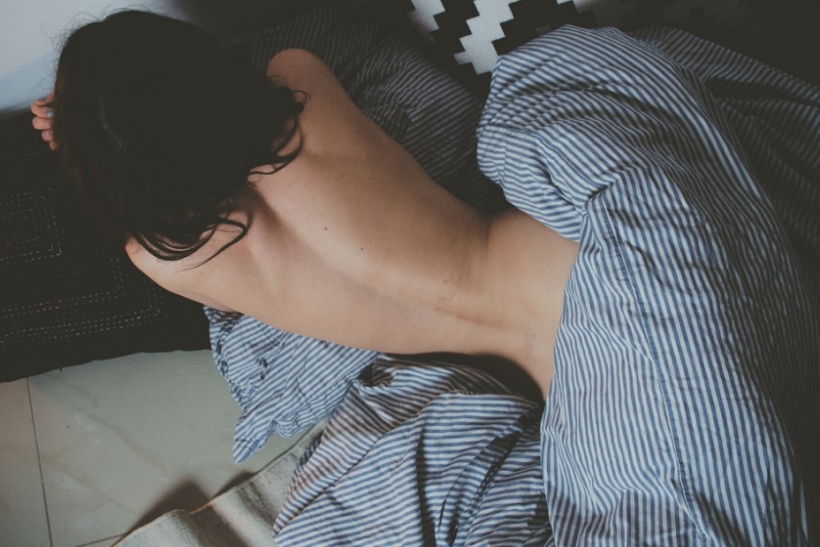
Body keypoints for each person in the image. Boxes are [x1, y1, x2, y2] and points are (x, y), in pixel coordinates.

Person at [30, 9, 579, 398]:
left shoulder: (162, 259)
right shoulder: (298, 79)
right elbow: (233, 99)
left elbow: (157, 166)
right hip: (567, 269)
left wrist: (95, 143)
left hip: (543, 379)